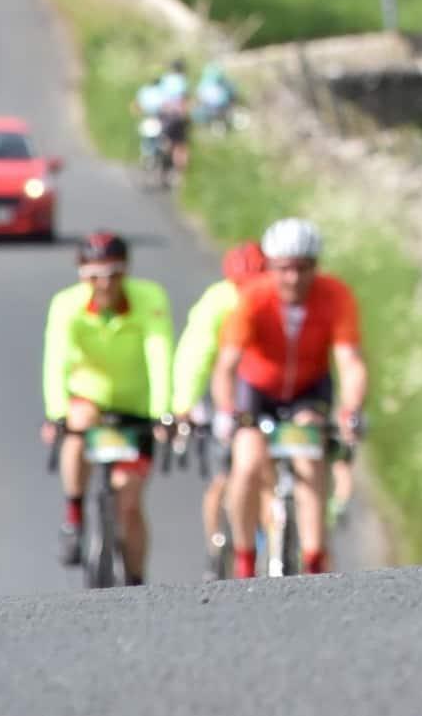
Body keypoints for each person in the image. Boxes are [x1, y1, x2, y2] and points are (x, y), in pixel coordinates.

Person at [211, 217, 367, 578]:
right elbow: (226, 366)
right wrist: (225, 411)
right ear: (270, 266)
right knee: (247, 463)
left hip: (308, 389)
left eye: (303, 268)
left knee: (310, 455)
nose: (294, 279)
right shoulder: (253, 298)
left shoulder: (335, 295)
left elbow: (350, 362)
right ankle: (245, 559)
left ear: (316, 266)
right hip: (258, 390)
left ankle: (314, 559)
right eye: (284, 269)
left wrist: (351, 408)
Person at [41, 231, 173, 579]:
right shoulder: (66, 304)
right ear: (82, 275)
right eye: (94, 276)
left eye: (114, 274)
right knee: (77, 424)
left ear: (127, 271)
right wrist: (56, 412)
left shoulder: (149, 298)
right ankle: (73, 515)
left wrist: (163, 412)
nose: (105, 284)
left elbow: (159, 354)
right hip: (89, 399)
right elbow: (56, 361)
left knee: (128, 504)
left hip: (136, 408)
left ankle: (136, 579)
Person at [169, 238, 267, 576]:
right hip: (220, 387)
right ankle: (215, 549)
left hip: (258, 387)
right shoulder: (217, 302)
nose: (247, 292)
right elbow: (194, 355)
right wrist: (184, 404)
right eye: (241, 286)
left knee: (265, 467)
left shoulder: (272, 299)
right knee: (221, 477)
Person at [132, 57, 192, 179]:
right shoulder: (182, 81)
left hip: (162, 116)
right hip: (175, 116)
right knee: (179, 144)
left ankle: (161, 163)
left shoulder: (164, 80)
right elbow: (183, 101)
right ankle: (178, 172)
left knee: (164, 139)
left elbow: (149, 102)